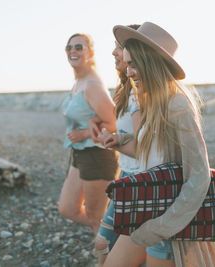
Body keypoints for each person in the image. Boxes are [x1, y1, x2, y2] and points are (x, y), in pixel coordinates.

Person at [98, 22, 215, 266]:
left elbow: (199, 177)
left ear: (152, 63)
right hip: (146, 210)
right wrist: (121, 140)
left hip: (167, 225)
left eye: (134, 64)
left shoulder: (177, 103)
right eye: (127, 64)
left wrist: (160, 228)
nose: (129, 72)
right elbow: (152, 151)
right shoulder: (153, 101)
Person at [58, 33, 120, 235]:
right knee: (67, 208)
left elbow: (115, 122)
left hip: (97, 155)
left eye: (78, 47)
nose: (73, 51)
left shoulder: (92, 85)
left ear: (90, 53)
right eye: (69, 48)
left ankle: (106, 259)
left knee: (96, 216)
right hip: (79, 154)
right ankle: (116, 234)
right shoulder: (79, 82)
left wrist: (85, 133)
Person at [90, 24, 141, 267]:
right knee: (110, 243)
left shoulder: (140, 93)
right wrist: (109, 132)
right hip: (126, 174)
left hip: (138, 178)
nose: (113, 53)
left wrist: (113, 143)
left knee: (105, 242)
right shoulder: (126, 89)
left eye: (118, 47)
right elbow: (127, 131)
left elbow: (144, 146)